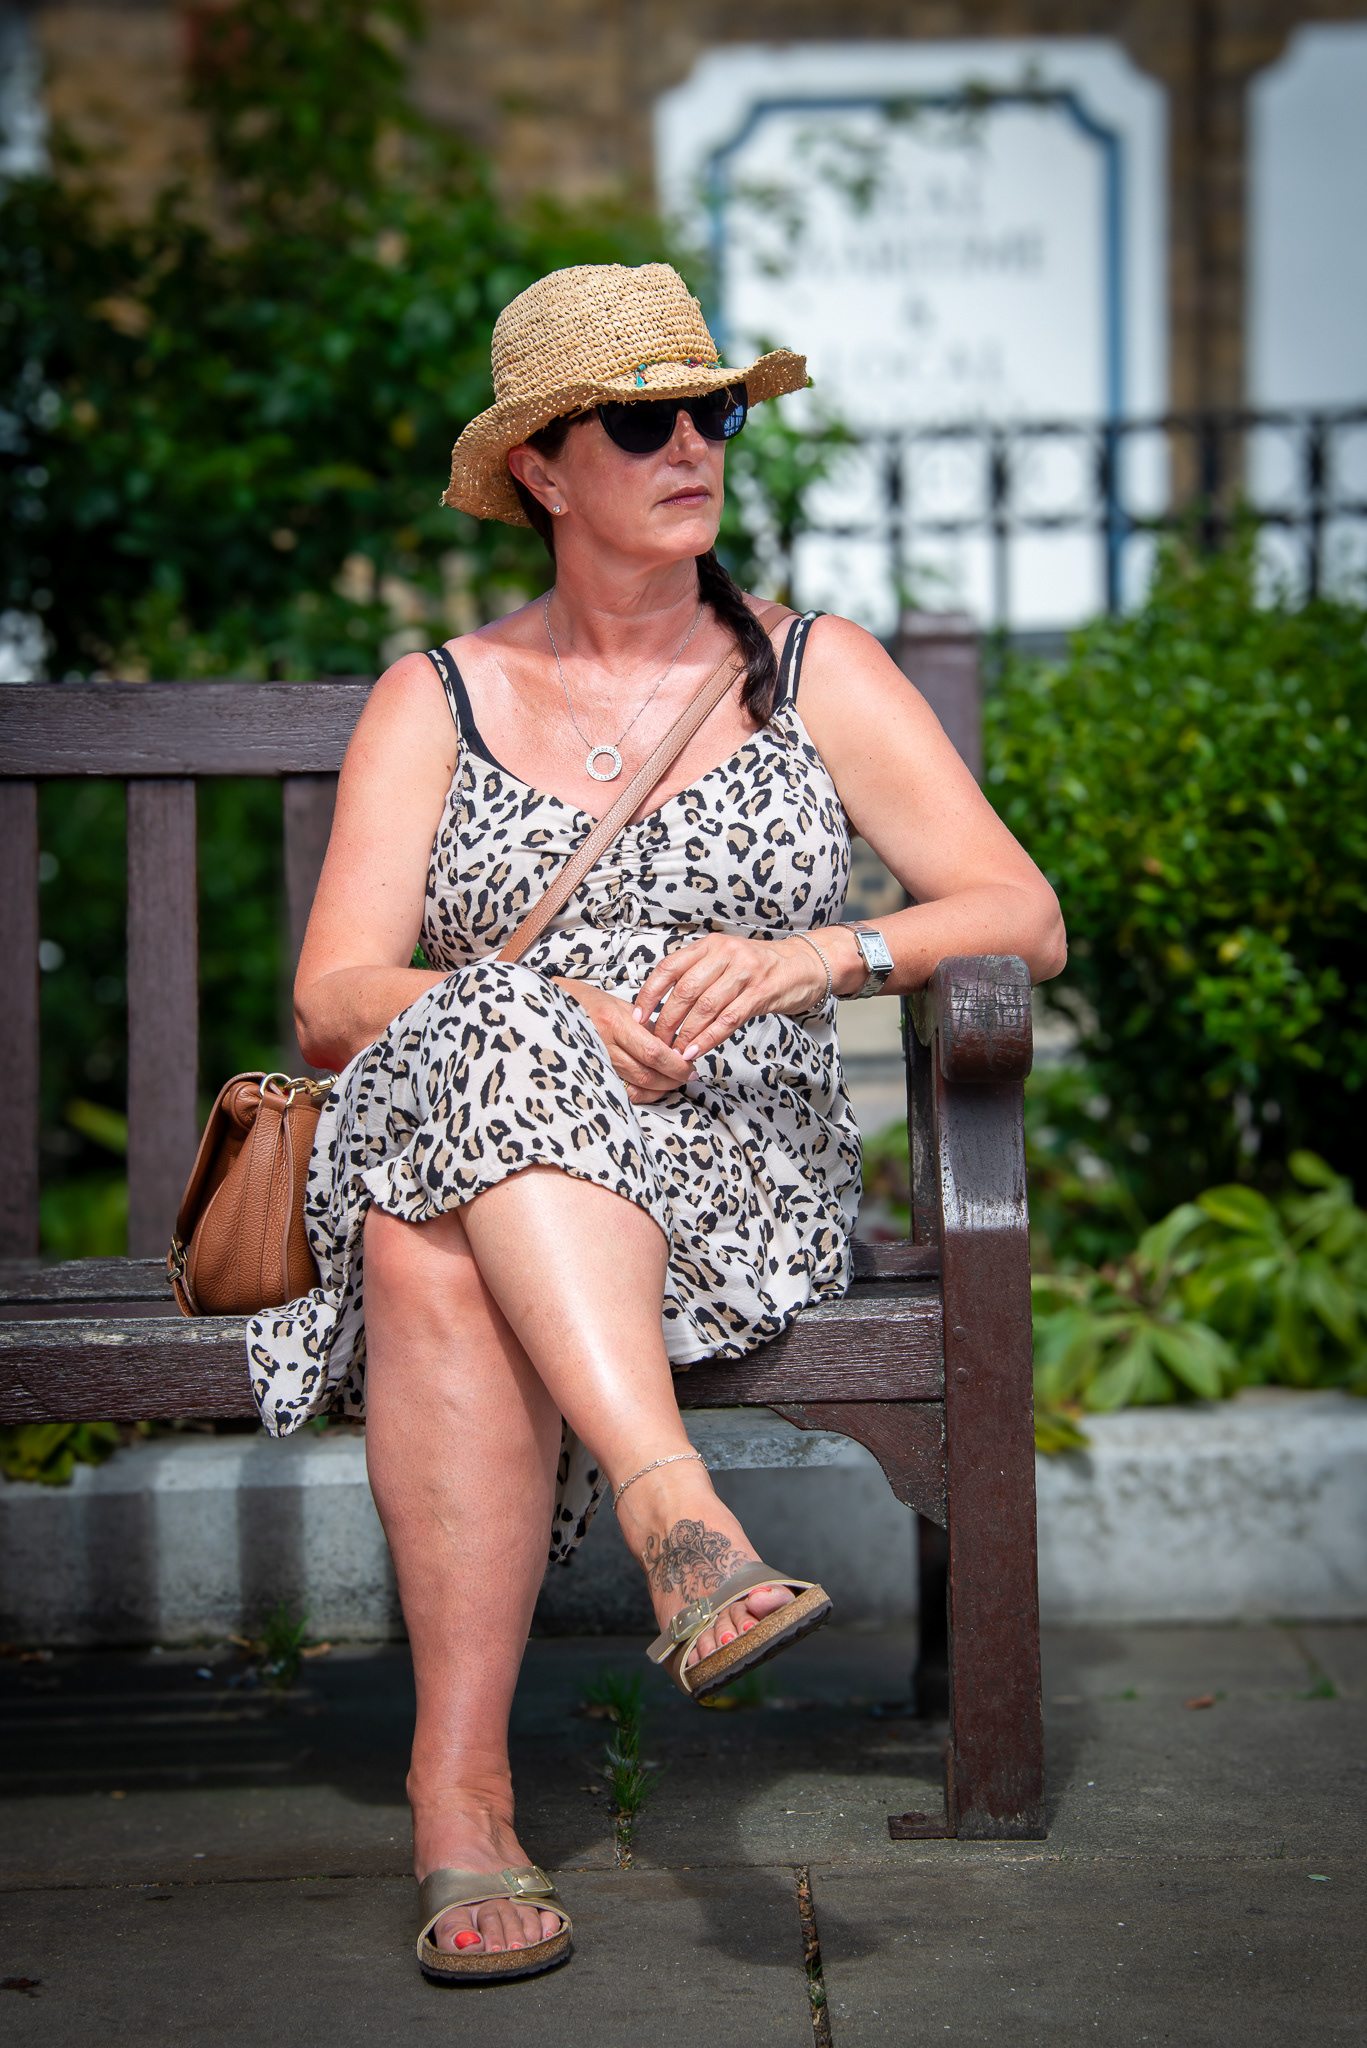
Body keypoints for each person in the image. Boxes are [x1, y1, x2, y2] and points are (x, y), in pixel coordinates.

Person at [249, 262, 1065, 1983]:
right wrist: (547, 1015)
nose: (694, 444)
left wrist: (813, 958)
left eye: (720, 410)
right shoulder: (437, 696)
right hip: (476, 1127)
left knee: (425, 1234)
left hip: (732, 1169)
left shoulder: (810, 673)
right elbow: (335, 996)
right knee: (463, 1113)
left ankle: (458, 1790)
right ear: (544, 467)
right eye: (643, 419)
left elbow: (1017, 912)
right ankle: (672, 1524)